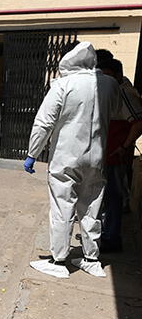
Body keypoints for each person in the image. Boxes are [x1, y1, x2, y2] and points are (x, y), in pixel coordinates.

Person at [24, 42, 121, 278]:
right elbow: (116, 111)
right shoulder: (109, 84)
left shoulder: (63, 85)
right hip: (97, 158)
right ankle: (90, 258)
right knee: (92, 208)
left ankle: (58, 262)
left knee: (62, 207)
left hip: (66, 157)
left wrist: (32, 153)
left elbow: (44, 122)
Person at [99, 58, 142, 253]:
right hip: (109, 152)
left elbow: (138, 122)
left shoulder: (123, 92)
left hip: (116, 153)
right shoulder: (114, 90)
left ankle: (111, 238)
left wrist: (124, 146)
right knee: (108, 196)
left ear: (116, 74)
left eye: (106, 74)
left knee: (113, 196)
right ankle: (107, 233)